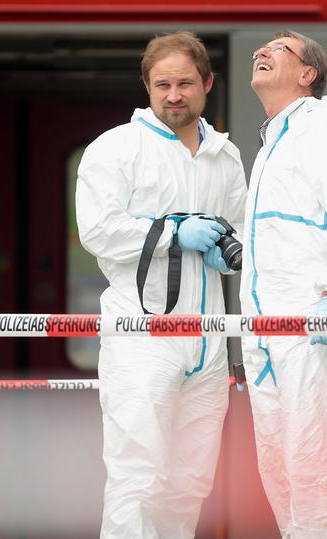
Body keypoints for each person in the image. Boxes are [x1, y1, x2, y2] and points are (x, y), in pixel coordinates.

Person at [75, 31, 247, 538]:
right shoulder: (117, 148)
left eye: (185, 84)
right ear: (147, 86)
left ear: (208, 83)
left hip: (208, 343)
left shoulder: (225, 156)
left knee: (190, 484)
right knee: (137, 478)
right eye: (163, 85)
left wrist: (225, 252)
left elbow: (241, 233)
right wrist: (175, 232)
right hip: (142, 337)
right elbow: (98, 231)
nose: (174, 95)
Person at [239, 30, 327, 538]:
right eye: (262, 48)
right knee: (282, 472)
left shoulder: (322, 128)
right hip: (268, 333)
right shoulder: (272, 144)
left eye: (279, 49)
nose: (262, 52)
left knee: (319, 473)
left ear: (307, 74)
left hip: (310, 328)